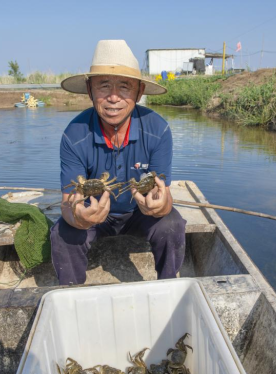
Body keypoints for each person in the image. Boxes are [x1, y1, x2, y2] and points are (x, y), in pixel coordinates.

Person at [50, 40, 186, 285]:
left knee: (172, 224)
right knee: (62, 234)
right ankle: (70, 297)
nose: (113, 97)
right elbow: (69, 199)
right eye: (103, 86)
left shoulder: (158, 130)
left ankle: (169, 288)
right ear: (90, 90)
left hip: (138, 213)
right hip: (94, 215)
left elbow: (162, 192)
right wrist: (77, 215)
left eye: (124, 87)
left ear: (139, 91)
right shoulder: (74, 134)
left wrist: (161, 206)